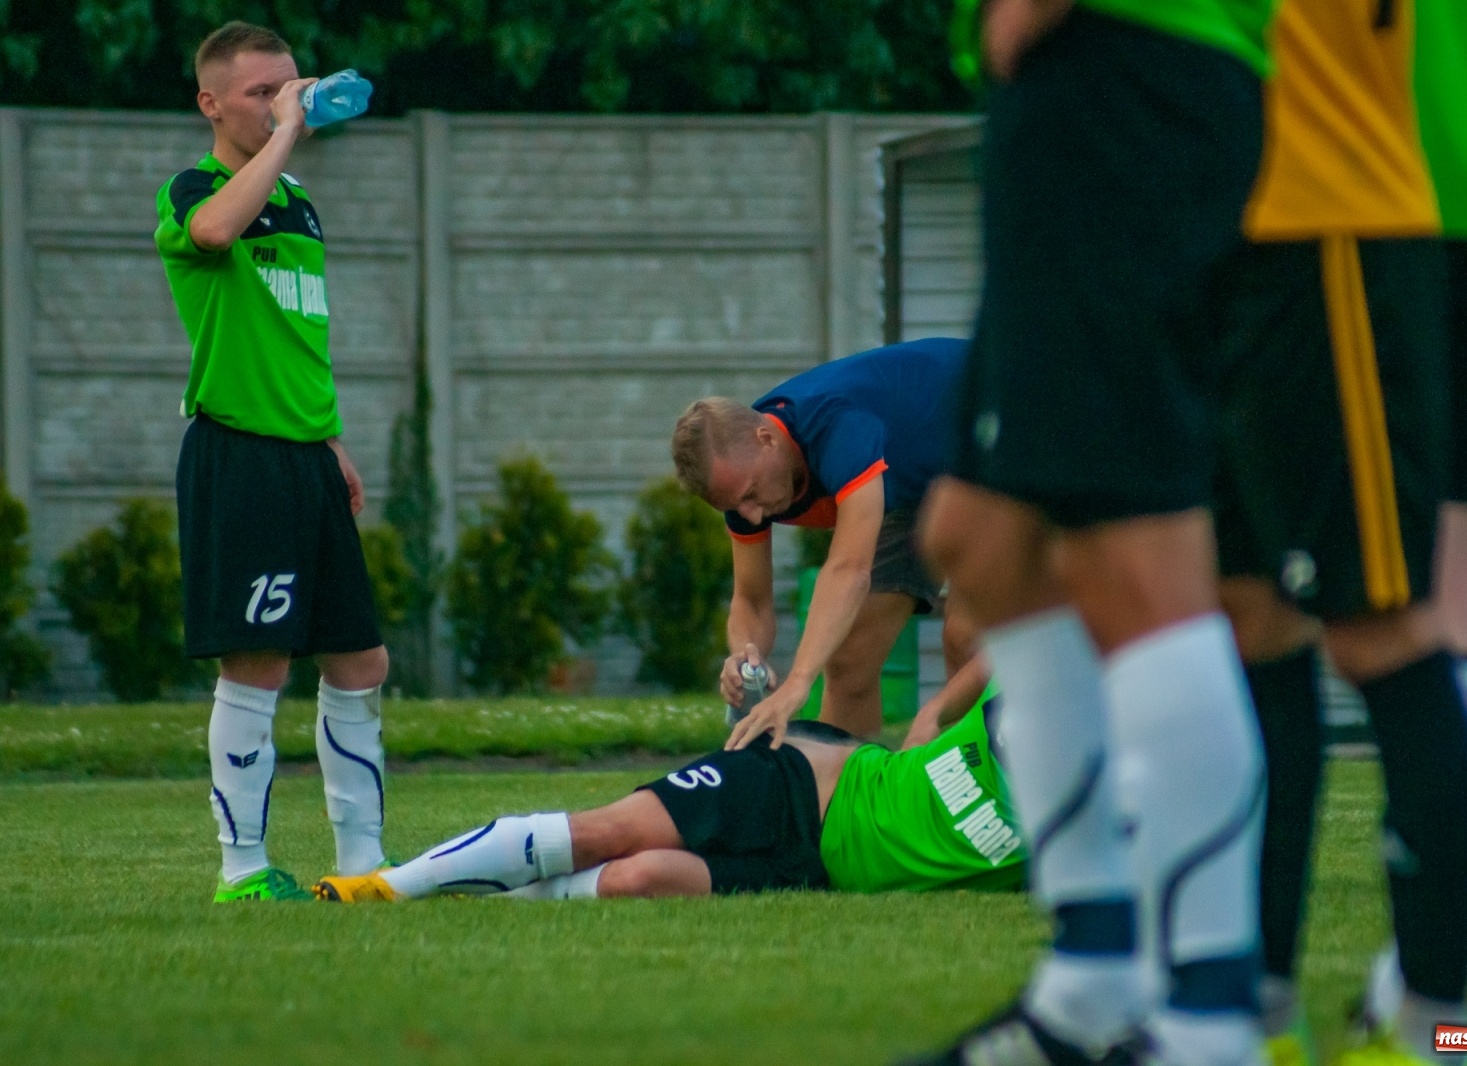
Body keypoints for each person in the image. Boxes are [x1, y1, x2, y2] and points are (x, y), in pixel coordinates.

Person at [1212, 2, 1467, 1063]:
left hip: (1369, 194)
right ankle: (1424, 998)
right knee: (1465, 597)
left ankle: (1414, 1003)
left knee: (1343, 615)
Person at [907, 3, 1276, 1065]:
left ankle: (1208, 1019)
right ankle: (1092, 974)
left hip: (1119, 74)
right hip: (1107, 90)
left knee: (1134, 555)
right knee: (980, 539)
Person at [154, 22, 391, 902]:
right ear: (211, 103)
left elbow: (296, 339)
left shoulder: (296, 201)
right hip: (240, 456)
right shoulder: (195, 190)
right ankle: (243, 870)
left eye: (290, 86)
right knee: (258, 663)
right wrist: (288, 130)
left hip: (306, 457)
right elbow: (216, 230)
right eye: (261, 92)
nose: (282, 102)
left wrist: (330, 442)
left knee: (360, 661)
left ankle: (364, 865)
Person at [310, 687, 1022, 903]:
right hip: (803, 783)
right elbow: (997, 643)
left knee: (639, 879)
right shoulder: (1035, 681)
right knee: (607, 833)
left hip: (818, 872)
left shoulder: (1075, 833)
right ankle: (389, 886)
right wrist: (934, 713)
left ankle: (482, 896)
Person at [671, 337, 985, 742]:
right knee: (848, 659)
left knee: (966, 636)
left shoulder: (835, 426)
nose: (752, 516)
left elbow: (849, 570)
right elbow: (752, 600)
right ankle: (843, 783)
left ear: (766, 439)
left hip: (990, 436)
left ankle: (984, 774)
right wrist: (745, 657)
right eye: (734, 506)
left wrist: (798, 682)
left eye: (750, 495)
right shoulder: (742, 481)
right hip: (910, 482)